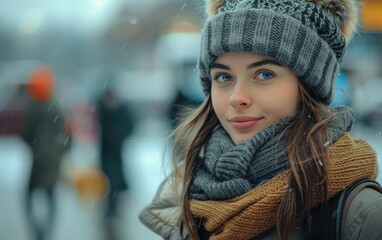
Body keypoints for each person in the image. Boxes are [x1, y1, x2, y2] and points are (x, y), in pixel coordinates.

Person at [139, 0, 382, 239]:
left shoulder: (362, 216)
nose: (237, 98)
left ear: (308, 87)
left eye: (264, 74)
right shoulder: (188, 195)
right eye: (224, 77)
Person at [21, 65, 70, 240]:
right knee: (51, 195)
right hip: (53, 160)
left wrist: (36, 147)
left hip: (38, 159)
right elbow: (67, 134)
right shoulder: (56, 107)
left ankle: (38, 228)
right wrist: (61, 151)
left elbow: (25, 133)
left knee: (29, 195)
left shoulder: (33, 108)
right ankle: (47, 229)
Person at [97, 87, 134, 222]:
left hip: (116, 152)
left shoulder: (120, 109)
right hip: (106, 152)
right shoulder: (103, 109)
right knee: (107, 181)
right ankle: (109, 209)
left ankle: (114, 208)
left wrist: (118, 137)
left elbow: (129, 126)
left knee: (115, 181)